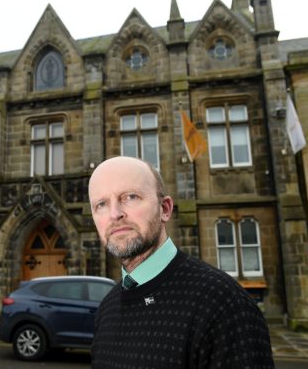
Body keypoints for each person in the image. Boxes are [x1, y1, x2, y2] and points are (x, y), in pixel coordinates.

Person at [88, 156, 275, 368]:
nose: (115, 214)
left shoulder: (223, 303)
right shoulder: (107, 307)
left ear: (165, 209)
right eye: (101, 204)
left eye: (131, 197)